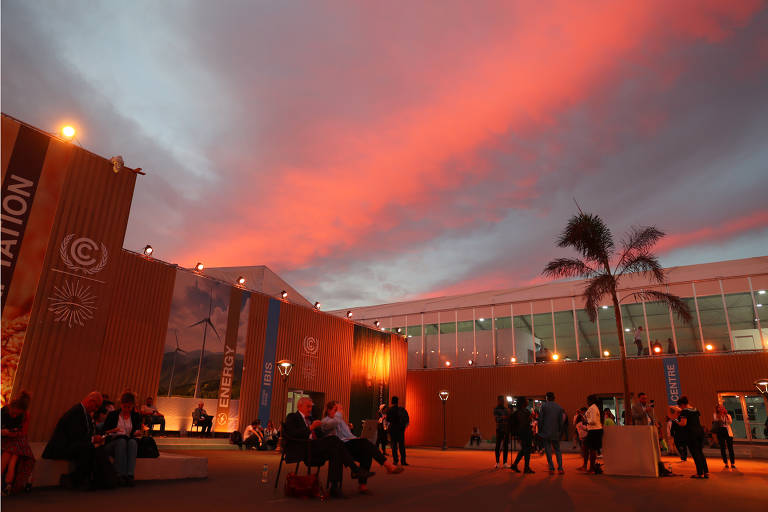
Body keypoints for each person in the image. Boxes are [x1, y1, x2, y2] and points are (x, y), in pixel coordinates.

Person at [284, 397, 371, 498]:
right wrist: (310, 428)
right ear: (299, 406)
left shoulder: (312, 419)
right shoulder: (292, 417)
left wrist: (324, 432)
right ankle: (355, 470)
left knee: (335, 448)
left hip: (315, 446)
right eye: (308, 407)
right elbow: (292, 434)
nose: (310, 409)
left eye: (311, 407)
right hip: (303, 447)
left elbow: (320, 434)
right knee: (335, 441)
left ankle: (334, 487)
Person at [321, 401, 403, 494]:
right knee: (365, 443)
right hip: (339, 447)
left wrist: (356, 438)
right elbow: (332, 425)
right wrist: (339, 414)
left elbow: (349, 435)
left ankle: (362, 485)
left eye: (340, 409)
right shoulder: (325, 421)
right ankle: (388, 465)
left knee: (366, 449)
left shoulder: (341, 421)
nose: (339, 412)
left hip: (349, 444)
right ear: (328, 410)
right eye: (336, 409)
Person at [43, 391, 116, 490]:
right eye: (96, 406)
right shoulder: (76, 412)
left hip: (71, 444)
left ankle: (100, 480)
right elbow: (75, 435)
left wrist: (95, 438)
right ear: (91, 401)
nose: (95, 409)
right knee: (88, 448)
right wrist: (93, 439)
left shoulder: (84, 413)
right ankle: (75, 479)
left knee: (97, 449)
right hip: (61, 447)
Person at [103, 392, 142, 486]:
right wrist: (114, 430)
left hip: (128, 442)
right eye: (125, 407)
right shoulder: (113, 415)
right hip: (113, 442)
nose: (127, 409)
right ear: (121, 404)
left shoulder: (136, 416)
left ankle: (129, 475)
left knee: (132, 442)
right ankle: (119, 474)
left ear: (132, 406)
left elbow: (136, 431)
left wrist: (137, 432)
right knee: (121, 441)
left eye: (129, 407)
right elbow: (104, 431)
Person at [1, 391, 35, 495]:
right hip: (9, 440)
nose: (15, 416)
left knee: (12, 456)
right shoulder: (3, 411)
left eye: (17, 414)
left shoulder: (25, 416)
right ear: (11, 406)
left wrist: (10, 433)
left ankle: (7, 484)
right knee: (10, 456)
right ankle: (8, 484)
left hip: (17, 440)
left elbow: (23, 433)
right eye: (13, 413)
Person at [674, 396, 708, 479]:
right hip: (700, 432)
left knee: (695, 453)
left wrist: (675, 419)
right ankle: (706, 472)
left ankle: (699, 473)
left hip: (691, 434)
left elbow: (683, 423)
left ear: (682, 404)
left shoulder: (684, 411)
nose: (679, 408)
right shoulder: (695, 409)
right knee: (700, 452)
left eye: (680, 406)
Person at [539, 392, 566, 474]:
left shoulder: (543, 406)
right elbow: (561, 422)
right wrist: (560, 432)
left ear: (547, 398)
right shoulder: (559, 407)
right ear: (554, 398)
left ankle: (551, 468)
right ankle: (560, 468)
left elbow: (541, 419)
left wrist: (540, 430)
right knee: (557, 450)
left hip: (546, 432)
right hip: (555, 432)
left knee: (548, 450)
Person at [510, 397, 534, 474]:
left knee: (524, 450)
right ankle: (526, 467)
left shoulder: (516, 412)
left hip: (521, 433)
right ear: (523, 403)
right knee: (527, 450)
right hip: (526, 432)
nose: (527, 402)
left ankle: (515, 465)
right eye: (526, 401)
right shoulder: (526, 411)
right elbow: (527, 422)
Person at [386, 396, 409, 466]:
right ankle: (403, 461)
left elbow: (388, 419)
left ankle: (395, 460)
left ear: (392, 402)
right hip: (400, 430)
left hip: (393, 429)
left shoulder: (390, 410)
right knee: (402, 445)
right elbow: (406, 419)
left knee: (394, 446)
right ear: (397, 402)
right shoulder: (401, 409)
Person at [584, 394, 603, 474]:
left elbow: (593, 421)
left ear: (591, 401)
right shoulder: (594, 408)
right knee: (589, 448)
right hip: (595, 430)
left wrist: (586, 421)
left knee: (591, 449)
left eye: (588, 400)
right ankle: (589, 466)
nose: (587, 402)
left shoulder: (592, 408)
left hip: (594, 430)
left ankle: (591, 468)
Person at [713, 404, 735, 469]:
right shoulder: (715, 415)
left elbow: (730, 422)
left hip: (728, 431)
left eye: (722, 407)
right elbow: (717, 421)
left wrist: (726, 416)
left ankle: (732, 463)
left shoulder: (728, 415)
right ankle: (725, 462)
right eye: (719, 408)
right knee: (722, 447)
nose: (721, 408)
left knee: (730, 447)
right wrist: (720, 415)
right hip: (720, 431)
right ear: (717, 409)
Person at [493, 396, 511, 469]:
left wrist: (509, 415)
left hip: (505, 429)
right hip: (499, 429)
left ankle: (505, 462)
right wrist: (503, 417)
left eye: (503, 400)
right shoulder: (496, 409)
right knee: (498, 445)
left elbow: (508, 418)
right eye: (501, 400)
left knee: (505, 446)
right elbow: (496, 419)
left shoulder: (506, 409)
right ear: (498, 401)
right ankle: (497, 462)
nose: (502, 402)